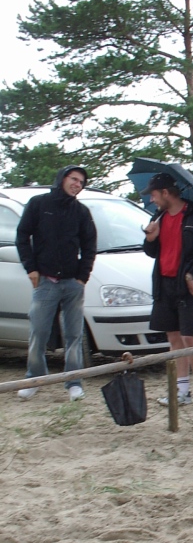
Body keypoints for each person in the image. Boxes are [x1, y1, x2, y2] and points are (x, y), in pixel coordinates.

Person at [15, 166, 97, 401]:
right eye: (74, 179)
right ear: (62, 178)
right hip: (46, 281)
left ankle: (74, 382)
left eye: (81, 182)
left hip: (72, 283)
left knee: (73, 335)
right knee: (39, 332)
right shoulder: (38, 204)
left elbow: (90, 245)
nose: (77, 184)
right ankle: (34, 378)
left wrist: (82, 277)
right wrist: (30, 268)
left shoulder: (81, 212)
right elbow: (22, 236)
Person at [142, 172, 193, 406]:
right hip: (164, 285)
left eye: (154, 195)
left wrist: (192, 274)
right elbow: (152, 252)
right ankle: (182, 391)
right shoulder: (159, 217)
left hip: (189, 286)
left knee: (190, 337)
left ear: (166, 193)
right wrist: (150, 239)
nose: (152, 200)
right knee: (174, 338)